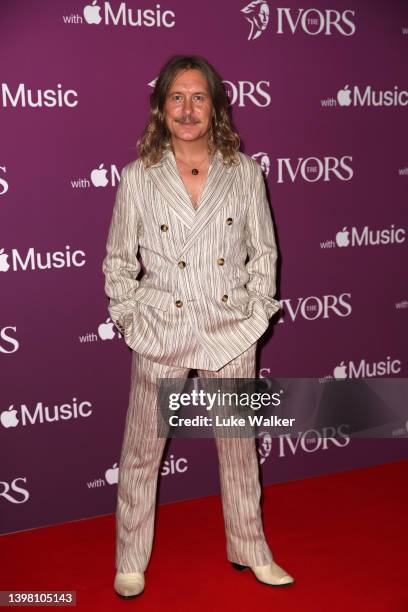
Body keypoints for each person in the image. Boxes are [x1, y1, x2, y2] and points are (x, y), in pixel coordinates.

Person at [102, 54, 294, 599]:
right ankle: (130, 557)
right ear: (161, 108)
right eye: (177, 98)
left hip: (230, 327)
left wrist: (256, 313)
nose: (188, 109)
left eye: (199, 97)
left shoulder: (244, 171)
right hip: (162, 330)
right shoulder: (139, 177)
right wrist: (132, 316)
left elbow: (264, 251)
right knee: (143, 449)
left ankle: (250, 548)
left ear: (216, 106)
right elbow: (118, 261)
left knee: (237, 444)